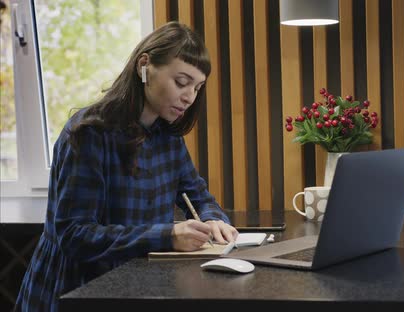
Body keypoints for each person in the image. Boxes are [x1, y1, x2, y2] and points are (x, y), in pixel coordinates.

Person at [14, 21, 238, 311]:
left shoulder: (168, 137)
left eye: (197, 88)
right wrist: (167, 235)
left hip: (139, 283)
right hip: (77, 289)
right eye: (181, 83)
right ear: (144, 65)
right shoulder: (88, 134)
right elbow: (74, 235)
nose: (189, 97)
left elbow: (197, 193)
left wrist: (212, 219)